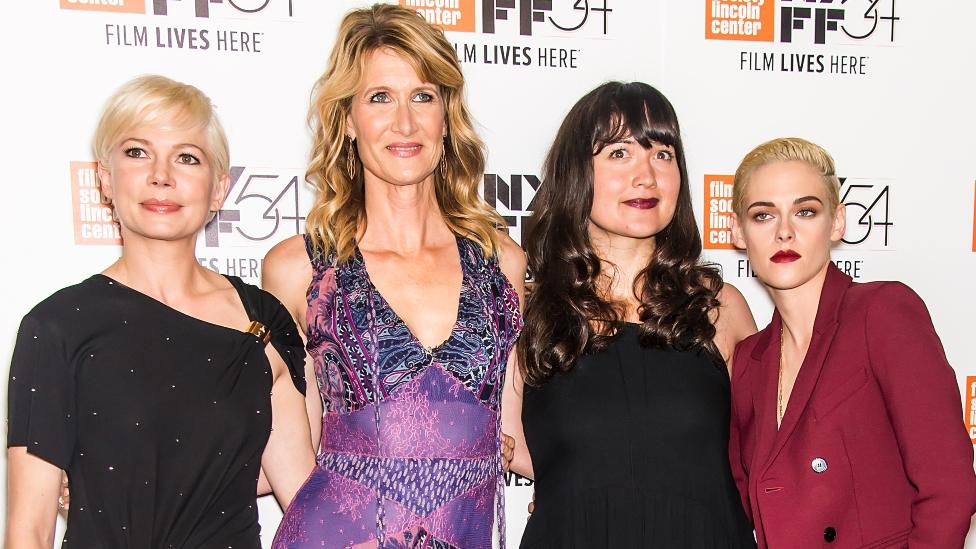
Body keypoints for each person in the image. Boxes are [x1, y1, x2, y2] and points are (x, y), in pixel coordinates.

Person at [5, 75, 315, 549]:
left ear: (219, 189)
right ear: (105, 179)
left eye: (187, 157)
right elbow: (28, 530)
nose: (161, 175)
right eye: (137, 152)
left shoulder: (263, 321)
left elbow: (307, 505)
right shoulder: (57, 327)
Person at [263, 5, 525, 548]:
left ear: (446, 118)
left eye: (422, 97)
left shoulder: (502, 263)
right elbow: (287, 444)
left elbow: (515, 431)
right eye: (380, 97)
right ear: (347, 120)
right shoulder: (300, 269)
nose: (404, 123)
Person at [514, 81, 757, 548]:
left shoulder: (720, 308)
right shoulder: (530, 313)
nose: (646, 175)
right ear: (576, 173)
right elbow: (500, 443)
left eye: (662, 153)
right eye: (620, 153)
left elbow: (765, 453)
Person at [727, 137, 976, 548]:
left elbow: (949, 489)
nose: (785, 232)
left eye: (805, 211)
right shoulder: (749, 361)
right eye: (763, 215)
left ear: (838, 222)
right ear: (738, 231)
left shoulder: (881, 312)